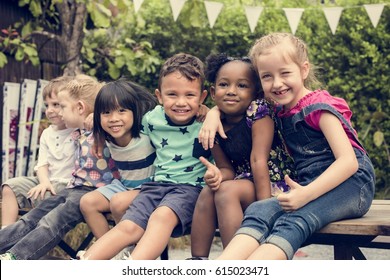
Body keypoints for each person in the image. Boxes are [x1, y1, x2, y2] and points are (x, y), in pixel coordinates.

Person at [201, 32, 375, 260]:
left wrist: (305, 195)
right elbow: (232, 103)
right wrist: (214, 112)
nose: (277, 83)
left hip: (352, 184)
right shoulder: (277, 107)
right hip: (309, 184)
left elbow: (348, 162)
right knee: (259, 209)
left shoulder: (319, 107)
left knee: (294, 220)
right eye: (267, 76)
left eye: (285, 73)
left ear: (304, 70)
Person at [79, 53, 212, 260]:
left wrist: (213, 113)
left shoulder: (207, 122)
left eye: (190, 95)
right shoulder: (152, 119)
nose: (181, 102)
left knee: (161, 216)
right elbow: (120, 123)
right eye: (172, 95)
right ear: (159, 96)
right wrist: (97, 128)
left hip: (190, 189)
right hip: (155, 187)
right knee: (129, 226)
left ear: (202, 97)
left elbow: (228, 114)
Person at [0, 74, 120, 260]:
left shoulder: (103, 128)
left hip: (93, 192)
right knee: (32, 218)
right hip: (74, 188)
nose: (60, 113)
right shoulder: (77, 131)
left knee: (51, 222)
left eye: (62, 106)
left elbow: (121, 120)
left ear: (80, 107)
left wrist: (96, 119)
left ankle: (15, 258)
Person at [189, 53, 295, 260]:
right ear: (213, 91)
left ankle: (236, 262)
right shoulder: (213, 126)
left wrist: (265, 211)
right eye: (224, 84)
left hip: (274, 186)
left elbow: (259, 160)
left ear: (255, 92)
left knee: (226, 192)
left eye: (242, 85)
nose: (231, 91)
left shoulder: (258, 112)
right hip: (245, 183)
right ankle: (198, 260)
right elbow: (227, 169)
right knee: (209, 191)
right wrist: (217, 176)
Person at [79, 79, 157, 241]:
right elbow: (91, 121)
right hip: (125, 187)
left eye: (121, 111)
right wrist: (95, 120)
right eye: (106, 112)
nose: (114, 118)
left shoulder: (146, 129)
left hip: (151, 188)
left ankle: (130, 249)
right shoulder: (105, 133)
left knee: (118, 203)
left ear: (135, 112)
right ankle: (110, 252)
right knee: (87, 203)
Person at [1, 76, 76, 228]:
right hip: (47, 181)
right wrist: (44, 182)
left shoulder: (79, 130)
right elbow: (42, 164)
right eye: (47, 105)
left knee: (43, 195)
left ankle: (29, 239)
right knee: (10, 186)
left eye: (56, 104)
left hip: (68, 185)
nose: (50, 110)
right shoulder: (47, 133)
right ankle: (6, 234)